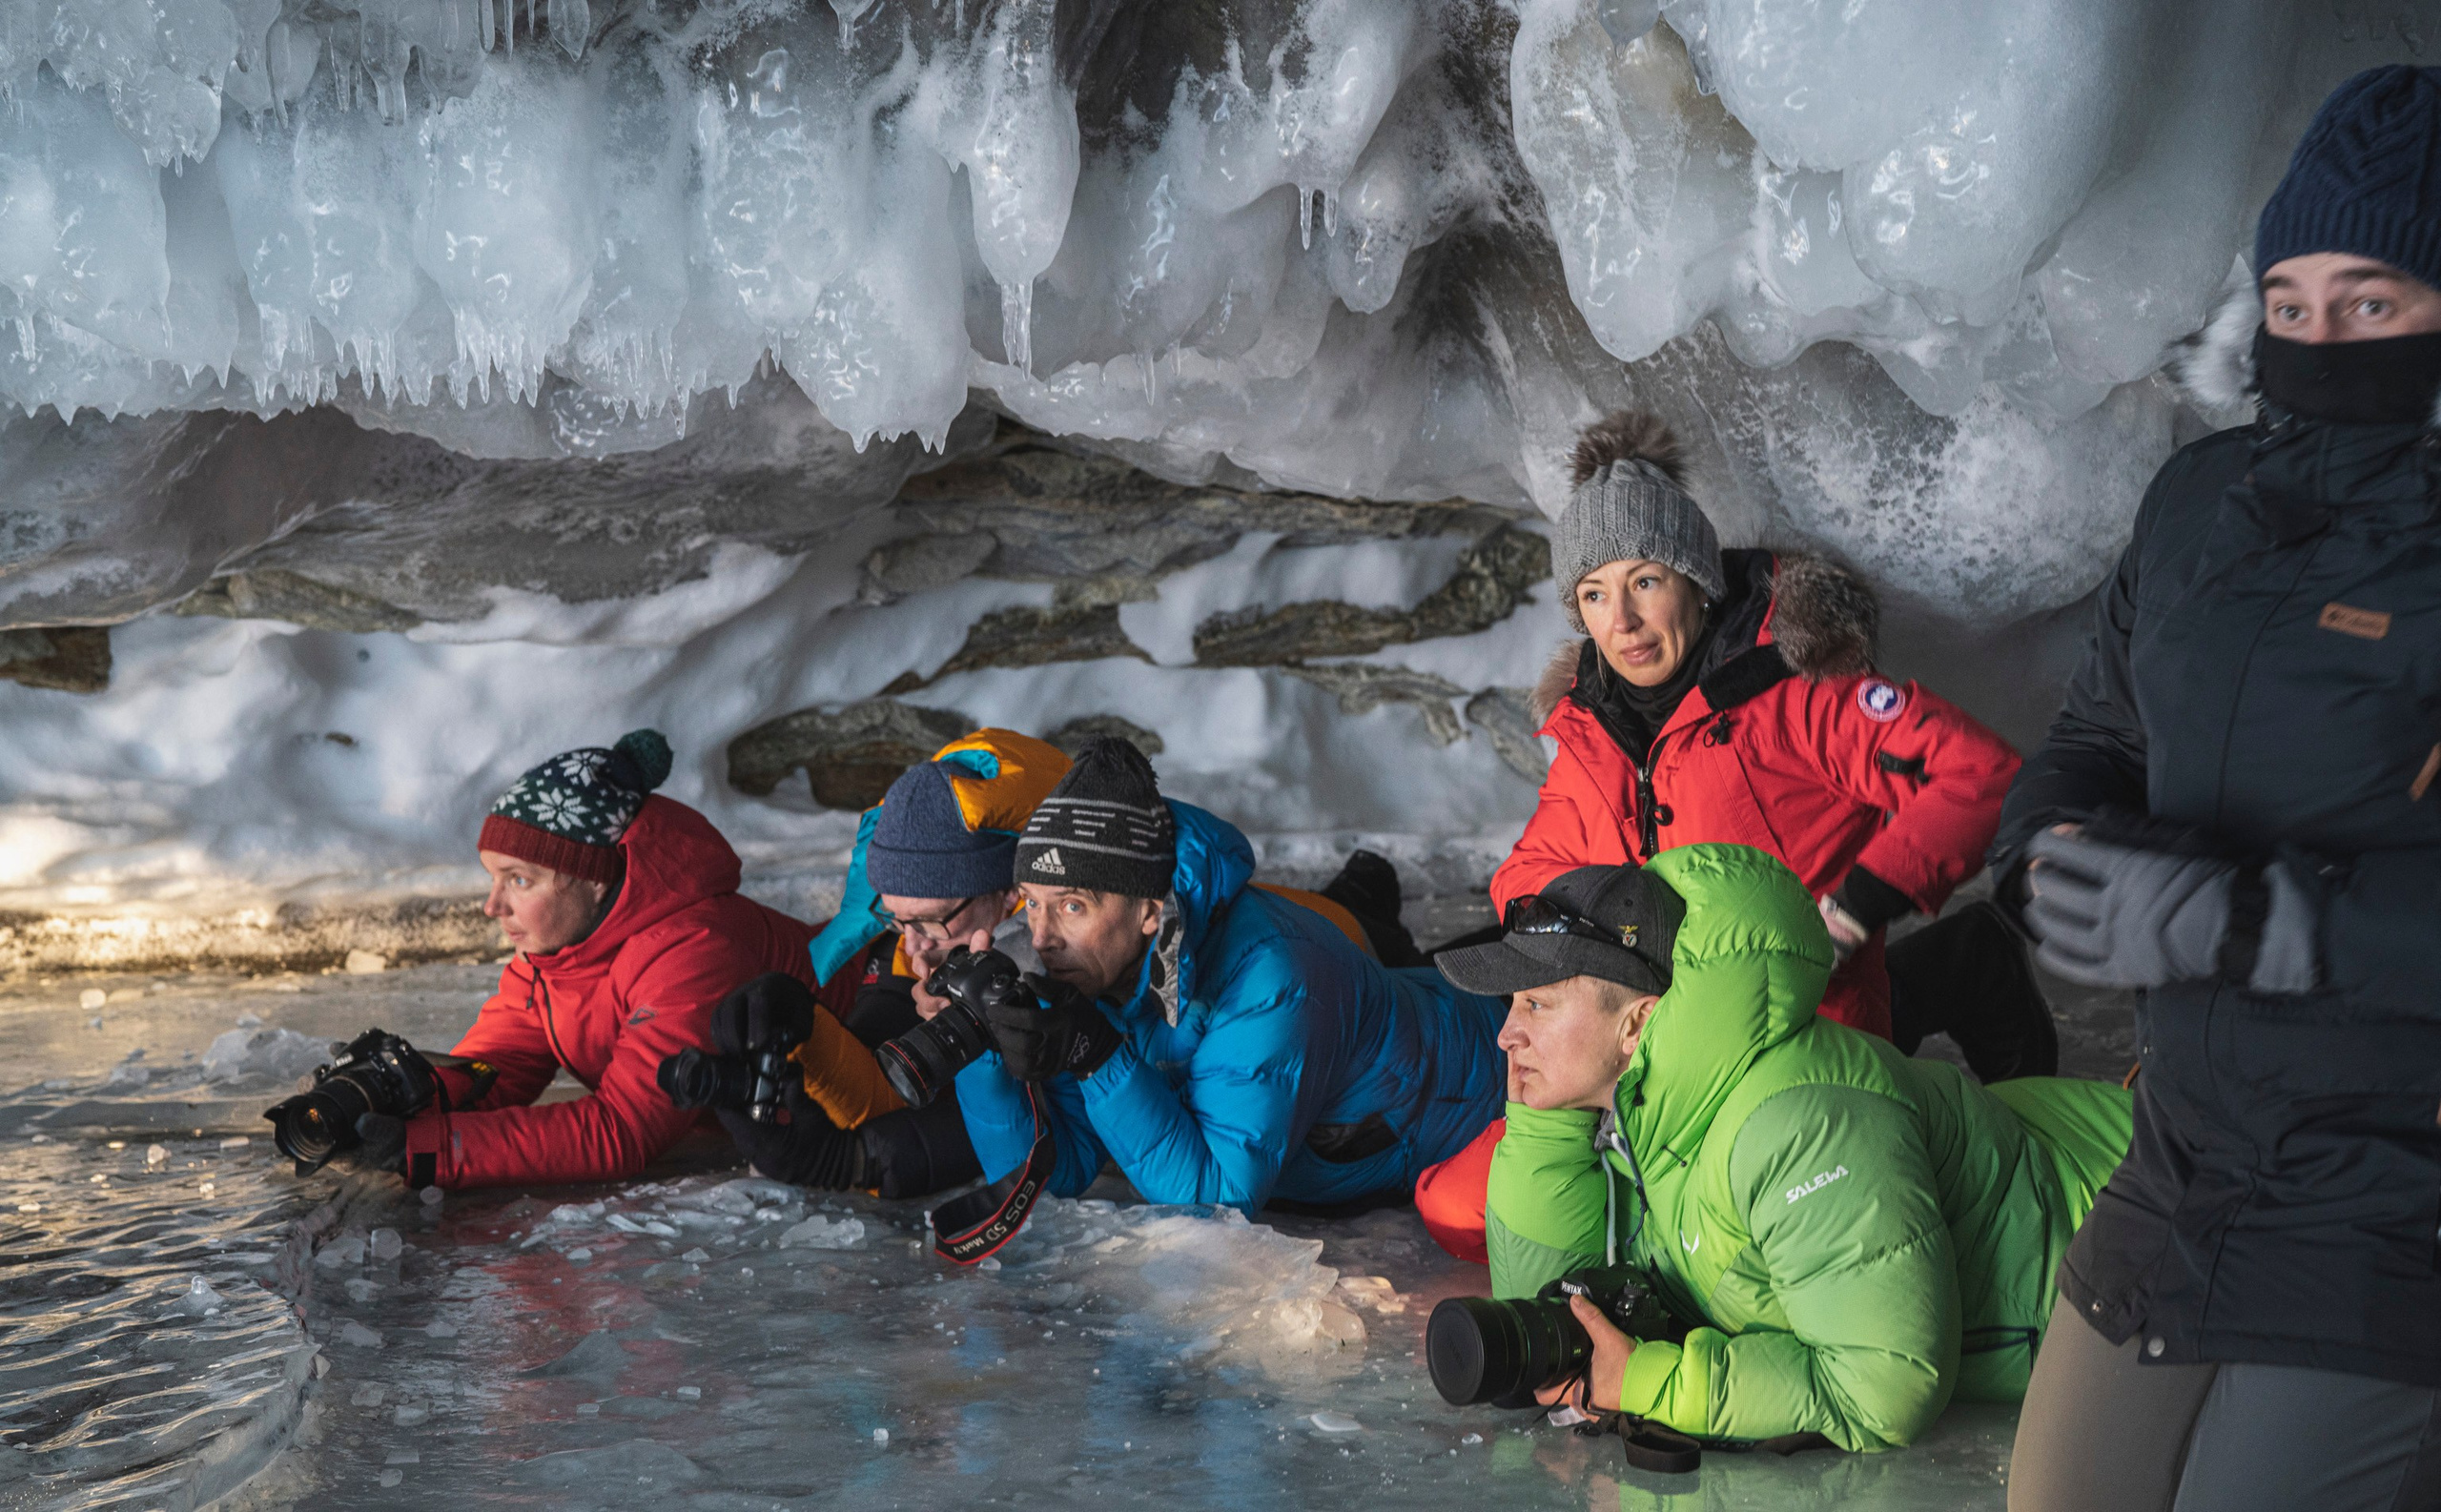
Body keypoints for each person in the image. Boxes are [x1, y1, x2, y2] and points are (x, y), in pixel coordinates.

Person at [1995, 66, 2441, 1511]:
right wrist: (2045, 848)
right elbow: (2099, 732)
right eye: (2295, 302)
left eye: (2372, 302)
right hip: (2183, 1153)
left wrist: (2245, 922)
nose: (2323, 338)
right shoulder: (2202, 508)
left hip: (2393, 1200)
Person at [1417, 411, 2049, 1262]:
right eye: (1596, 595)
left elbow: (1979, 775)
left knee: (1739, 1245)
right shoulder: (1593, 728)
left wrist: (1858, 907)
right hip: (1654, 1051)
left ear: (1696, 581)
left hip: (1795, 1035)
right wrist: (1591, 934)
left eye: (1646, 582)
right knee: (1460, 1213)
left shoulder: (1795, 696)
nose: (1624, 623)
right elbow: (1533, 868)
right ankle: (1952, 967)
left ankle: (1943, 982)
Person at [1451, 847, 2131, 1451]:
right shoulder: (1654, 1108)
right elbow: (1555, 1312)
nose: (1508, 1034)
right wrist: (1542, 1119)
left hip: (2143, 1232)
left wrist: (1657, 1385)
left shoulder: (1798, 1125)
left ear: (1637, 1024)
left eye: (1536, 1006)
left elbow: (1884, 1389)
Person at [944, 737, 1508, 1253]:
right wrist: (983, 1048)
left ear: (1148, 912)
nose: (1040, 939)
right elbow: (1057, 1170)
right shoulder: (1095, 971)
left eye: (1071, 906)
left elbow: (1216, 1204)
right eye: (1032, 904)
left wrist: (1100, 1059)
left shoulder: (1273, 973)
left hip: (1496, 1082)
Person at [318, 730, 833, 1189]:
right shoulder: (550, 955)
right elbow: (495, 1070)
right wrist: (392, 1094)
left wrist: (426, 1149)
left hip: (851, 1104)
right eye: (492, 878)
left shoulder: (693, 948)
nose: (492, 906)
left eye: (520, 880)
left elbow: (623, 1132)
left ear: (594, 879)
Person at [704, 727, 1072, 1197]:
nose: (914, 946)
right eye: (897, 921)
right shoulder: (919, 931)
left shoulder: (1079, 949)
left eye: (930, 923)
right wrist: (807, 1032)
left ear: (1010, 893)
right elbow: (884, 1076)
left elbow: (1061, 1126)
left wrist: (859, 1163)